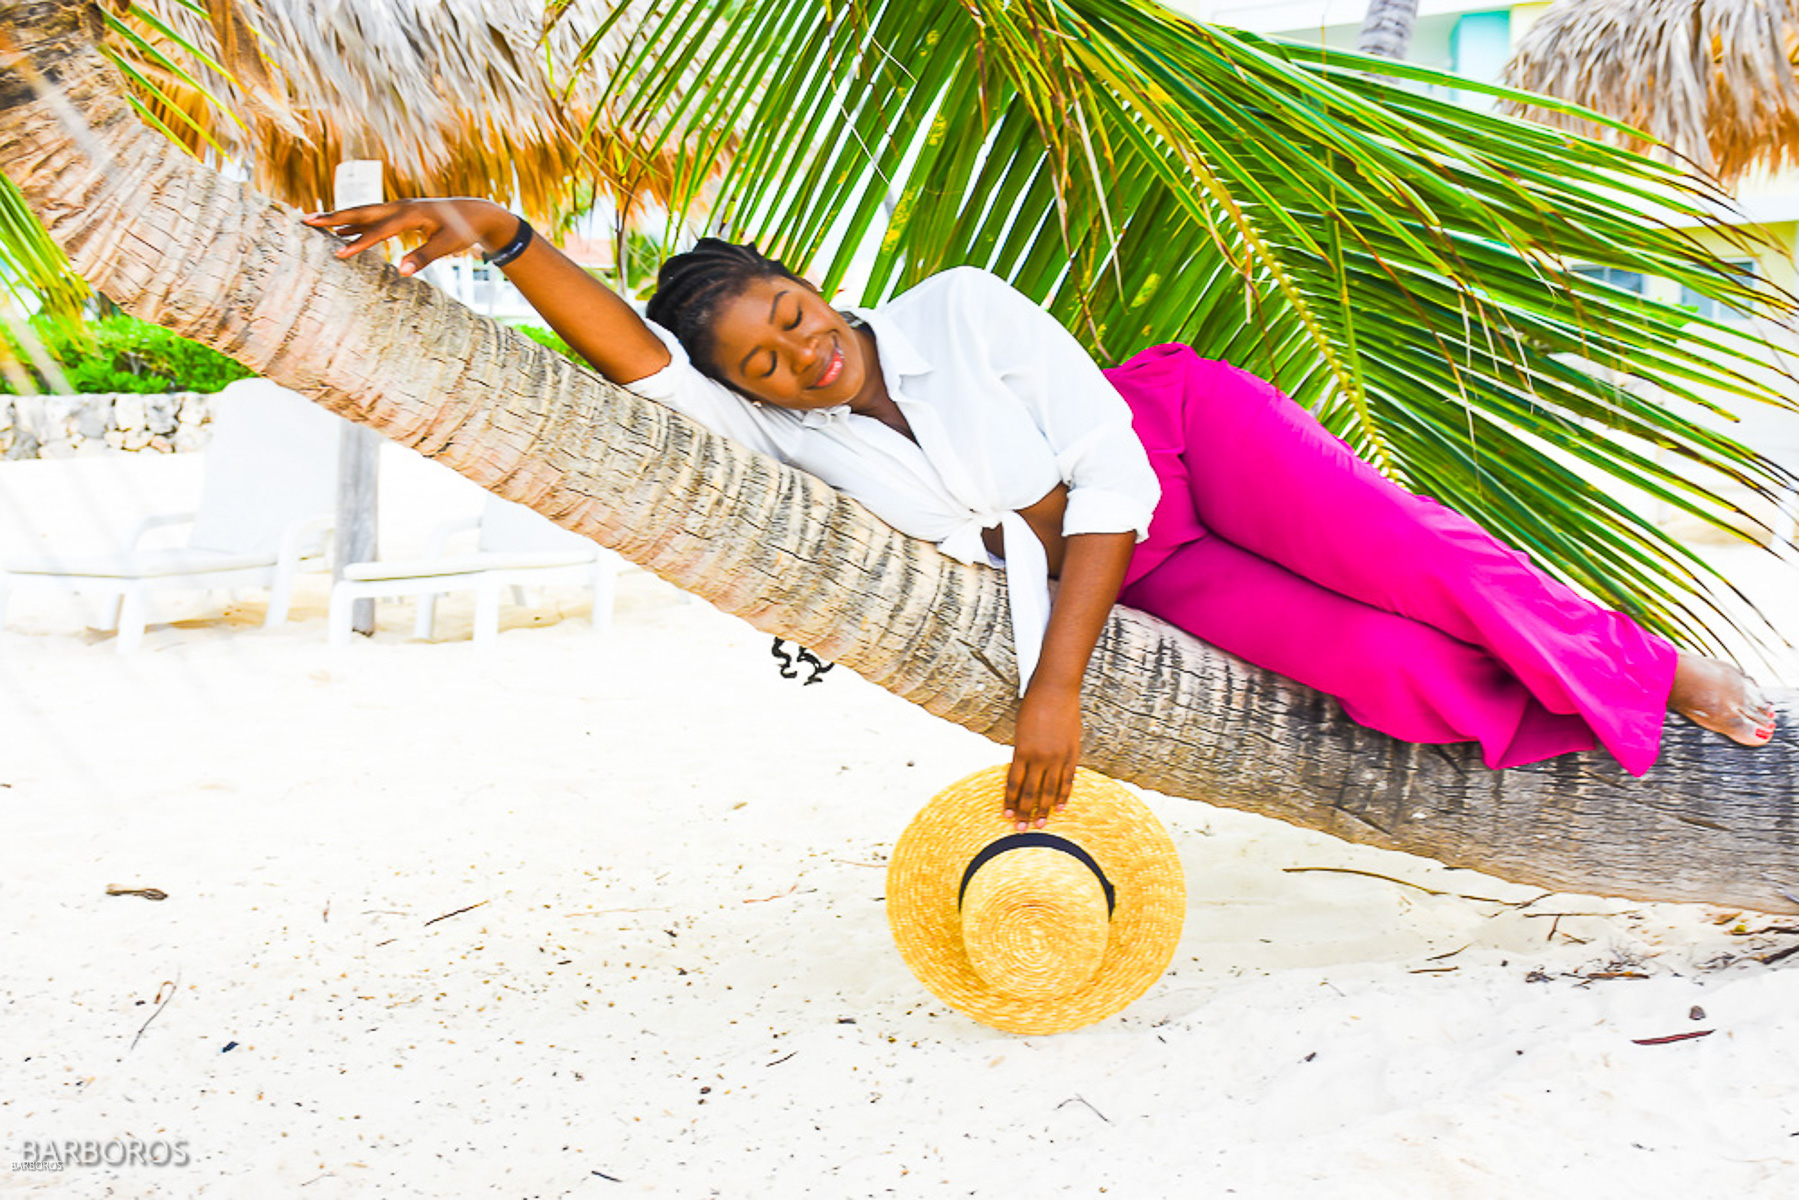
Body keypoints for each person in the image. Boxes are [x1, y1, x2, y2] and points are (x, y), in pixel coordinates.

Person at [303, 199, 1779, 830]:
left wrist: (1054, 692)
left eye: (796, 316)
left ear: (813, 283)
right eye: (762, 361)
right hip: (1130, 574)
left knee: (1416, 563)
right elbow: (630, 357)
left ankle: (1654, 667)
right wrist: (499, 239)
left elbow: (1116, 470)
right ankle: (1597, 722)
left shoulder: (954, 305)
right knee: (1387, 675)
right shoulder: (772, 435)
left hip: (1182, 451)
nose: (800, 353)